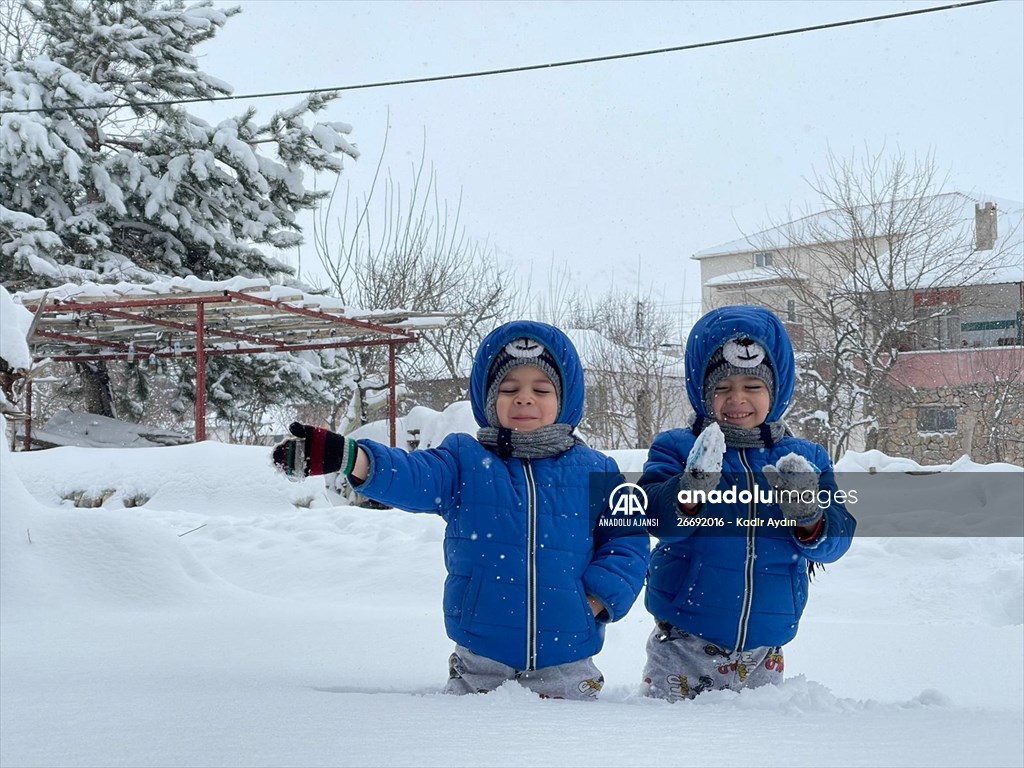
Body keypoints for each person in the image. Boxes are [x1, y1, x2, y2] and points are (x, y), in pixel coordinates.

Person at [273, 320, 650, 700]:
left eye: (541, 389)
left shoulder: (596, 469)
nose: (524, 398)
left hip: (568, 653)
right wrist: (351, 457)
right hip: (481, 653)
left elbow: (629, 539)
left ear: (565, 398)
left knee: (568, 749)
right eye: (509, 389)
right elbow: (413, 474)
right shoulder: (464, 460)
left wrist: (598, 598)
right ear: (488, 400)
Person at [639, 305, 856, 701]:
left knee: (755, 743)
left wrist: (808, 514)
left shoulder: (805, 459)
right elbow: (655, 518)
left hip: (764, 645)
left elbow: (837, 540)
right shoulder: (677, 448)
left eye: (752, 386)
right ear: (702, 392)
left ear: (776, 390)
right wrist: (689, 490)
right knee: (671, 741)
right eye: (722, 388)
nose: (736, 399)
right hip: (684, 636)